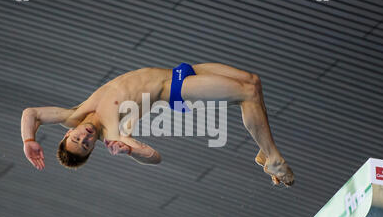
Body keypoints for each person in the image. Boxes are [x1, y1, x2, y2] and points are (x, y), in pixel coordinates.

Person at [21, 62, 294, 187]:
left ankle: (264, 151)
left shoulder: (73, 114)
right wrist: (130, 151)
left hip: (179, 70)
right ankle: (273, 159)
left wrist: (28, 140)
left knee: (253, 83)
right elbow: (155, 157)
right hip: (176, 89)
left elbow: (31, 113)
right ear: (93, 148)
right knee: (245, 94)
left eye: (76, 138)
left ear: (69, 131)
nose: (85, 137)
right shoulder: (114, 134)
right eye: (86, 145)